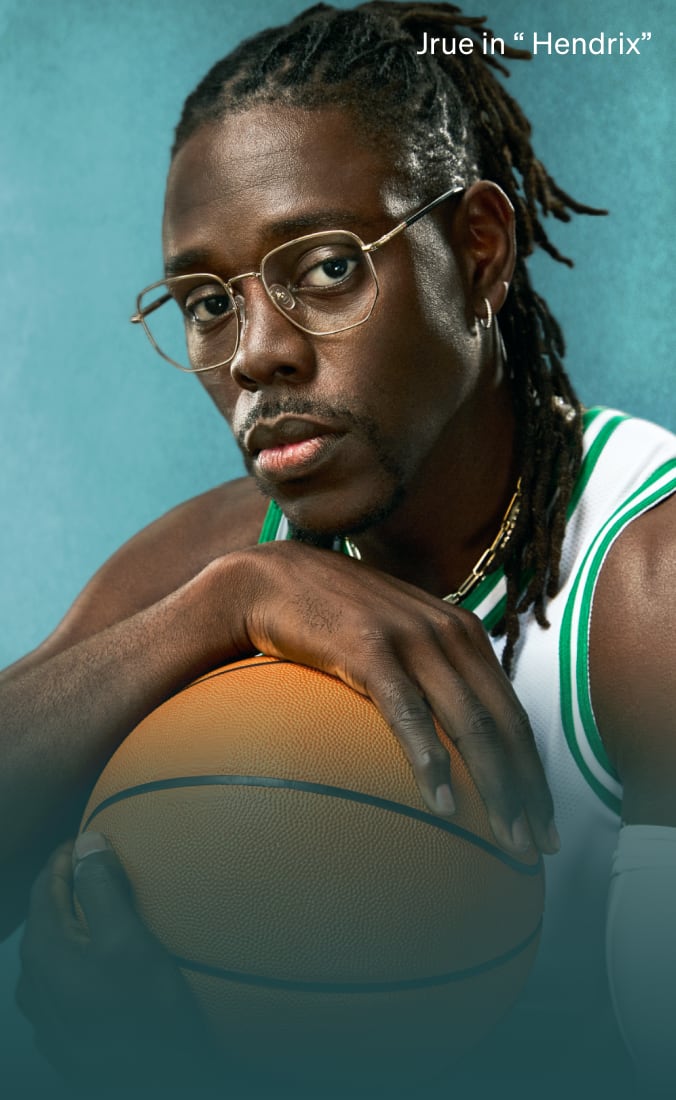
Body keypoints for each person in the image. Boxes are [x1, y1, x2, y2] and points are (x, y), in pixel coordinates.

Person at [2, 2, 674, 1096]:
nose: (257, 352)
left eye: (323, 269)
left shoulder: (644, 590)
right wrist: (219, 610)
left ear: (478, 252)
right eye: (208, 301)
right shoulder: (230, 557)